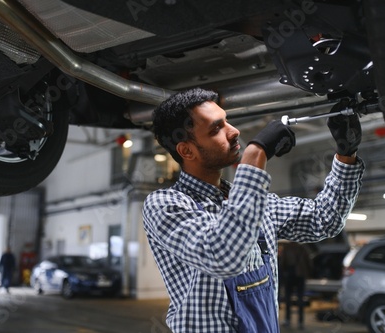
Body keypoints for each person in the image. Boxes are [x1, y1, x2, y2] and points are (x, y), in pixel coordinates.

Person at [142, 88, 364, 333]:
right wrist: (255, 154)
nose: (234, 131)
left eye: (226, 121)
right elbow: (222, 256)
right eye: (216, 129)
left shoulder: (259, 203)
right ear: (186, 151)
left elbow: (325, 219)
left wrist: (346, 155)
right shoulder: (166, 204)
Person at [279, 242, 313, 329]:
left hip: (289, 275)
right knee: (300, 298)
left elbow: (283, 263)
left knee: (288, 299)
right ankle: (300, 322)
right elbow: (308, 262)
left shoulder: (287, 248)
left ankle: (287, 320)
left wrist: (282, 276)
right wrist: (308, 274)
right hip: (300, 275)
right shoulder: (303, 248)